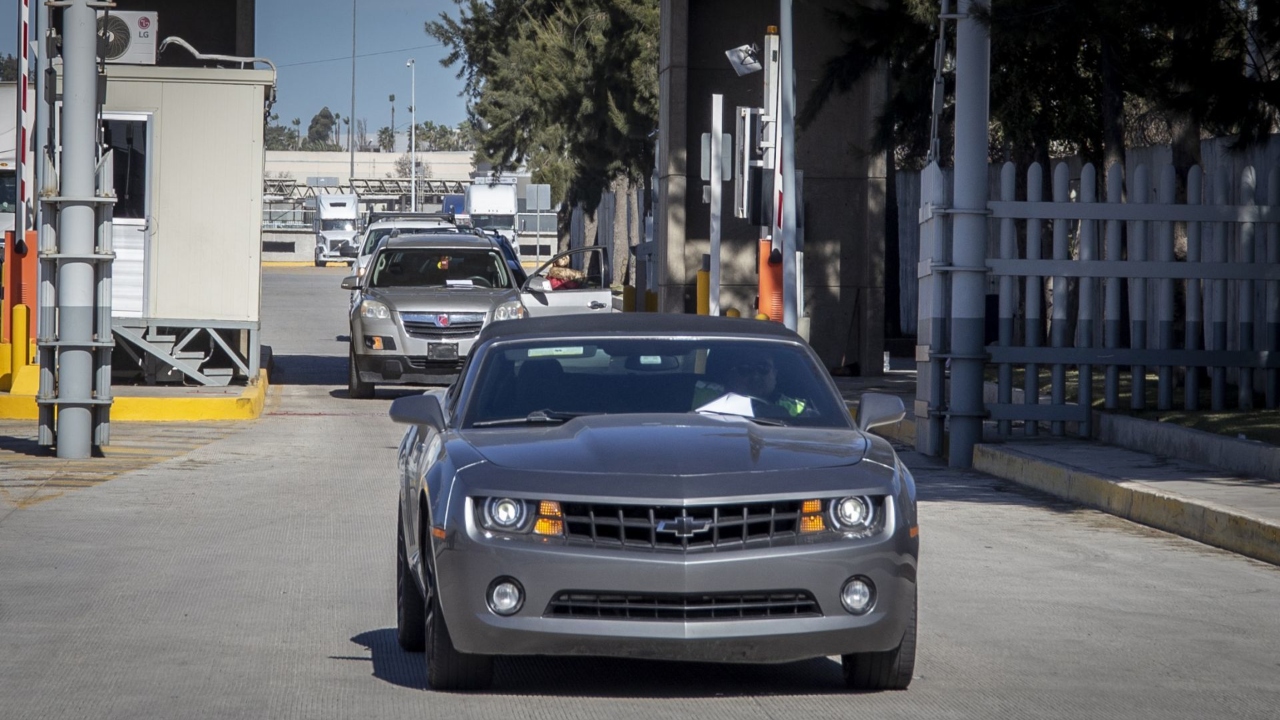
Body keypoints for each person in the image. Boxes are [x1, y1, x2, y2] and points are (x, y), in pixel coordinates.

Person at [692, 347, 807, 417]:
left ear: (775, 374)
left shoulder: (799, 409)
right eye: (745, 368)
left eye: (763, 367)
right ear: (730, 375)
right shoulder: (699, 395)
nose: (755, 376)